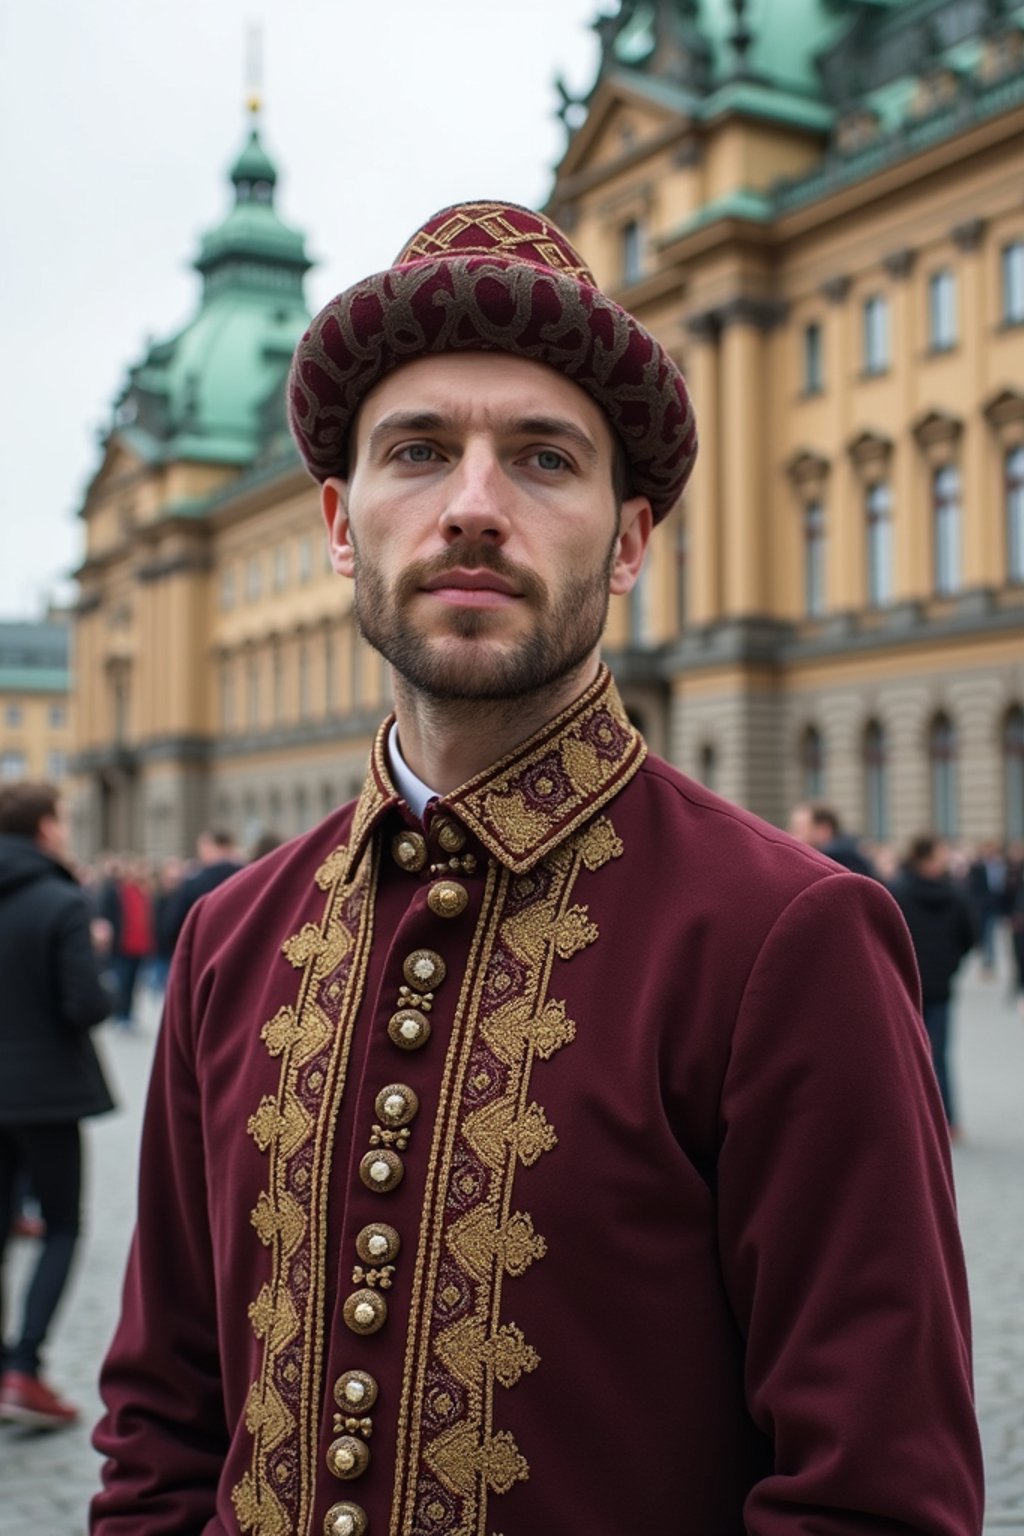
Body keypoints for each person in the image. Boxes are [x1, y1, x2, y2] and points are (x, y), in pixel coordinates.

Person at [92, 202, 982, 1535]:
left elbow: (877, 1497)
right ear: (340, 524)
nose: (471, 506)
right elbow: (162, 1427)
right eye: (418, 452)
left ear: (628, 545)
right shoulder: (232, 938)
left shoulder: (784, 938)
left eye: (544, 460)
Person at [0, 781, 114, 1428]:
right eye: (63, 821)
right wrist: (92, 957)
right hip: (45, 1093)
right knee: (62, 1226)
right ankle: (24, 1368)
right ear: (44, 828)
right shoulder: (60, 899)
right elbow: (87, 1006)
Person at [890, 835, 979, 1137]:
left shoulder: (897, 892)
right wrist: (950, 964)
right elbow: (970, 936)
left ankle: (909, 1123)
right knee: (938, 1055)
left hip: (904, 983)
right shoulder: (955, 895)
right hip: (940, 984)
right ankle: (946, 1121)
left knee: (903, 1054)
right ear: (927, 857)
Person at [162, 827, 244, 952]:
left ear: (210, 847)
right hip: (240, 947)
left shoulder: (194, 882)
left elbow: (173, 924)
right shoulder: (246, 875)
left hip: (203, 950)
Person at [788, 800, 879, 878]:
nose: (791, 836)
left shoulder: (833, 859)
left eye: (798, 830)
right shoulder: (850, 851)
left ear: (823, 830)